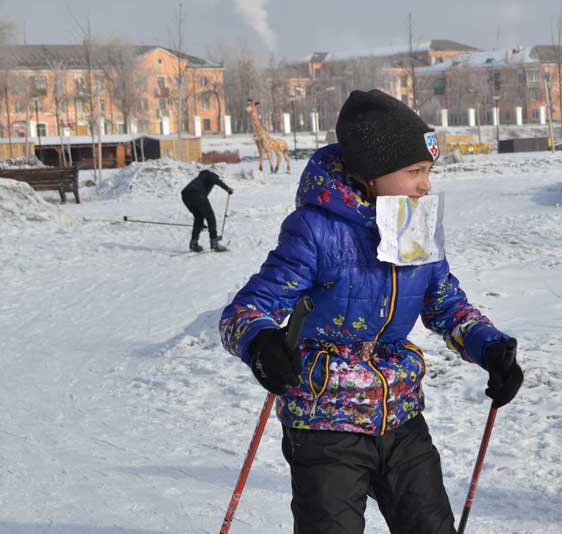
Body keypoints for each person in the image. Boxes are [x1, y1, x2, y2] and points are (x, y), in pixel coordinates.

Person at [219, 89, 523, 534]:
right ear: (373, 175)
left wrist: (490, 346)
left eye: (429, 171)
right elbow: (243, 313)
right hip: (326, 421)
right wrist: (261, 344)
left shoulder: (414, 223)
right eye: (414, 171)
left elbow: (445, 304)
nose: (426, 184)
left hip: (400, 415)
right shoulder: (316, 230)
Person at [180, 169, 233, 252]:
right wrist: (227, 189)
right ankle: (214, 243)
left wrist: (201, 223)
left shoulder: (199, 179)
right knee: (210, 217)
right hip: (197, 193)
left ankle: (194, 243)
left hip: (185, 195)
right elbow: (215, 180)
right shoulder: (209, 174)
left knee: (198, 218)